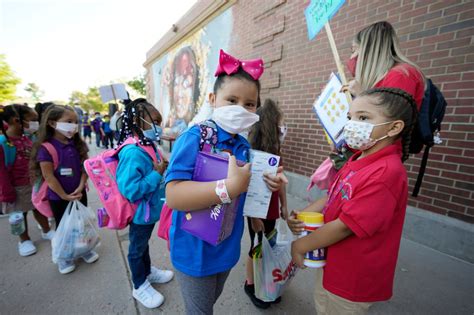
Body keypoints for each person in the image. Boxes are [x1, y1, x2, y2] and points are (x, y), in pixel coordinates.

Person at [165, 49, 287, 315]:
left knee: (210, 302)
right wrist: (228, 188)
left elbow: (244, 192)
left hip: (227, 248)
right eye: (231, 100)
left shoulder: (243, 144)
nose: (240, 109)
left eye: (249, 104)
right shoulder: (194, 138)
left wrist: (266, 188)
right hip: (194, 251)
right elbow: (174, 195)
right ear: (213, 99)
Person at [288, 88, 418, 315]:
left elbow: (345, 226)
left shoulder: (386, 173)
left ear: (395, 127)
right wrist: (302, 216)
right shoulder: (359, 157)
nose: (352, 124)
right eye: (350, 117)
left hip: (352, 277)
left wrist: (300, 245)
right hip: (332, 262)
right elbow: (334, 196)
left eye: (364, 118)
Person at [115, 98, 174, 309]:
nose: (159, 125)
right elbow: (130, 190)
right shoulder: (132, 152)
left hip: (149, 211)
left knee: (142, 243)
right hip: (140, 213)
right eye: (155, 121)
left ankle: (147, 271)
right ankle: (139, 285)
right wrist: (157, 173)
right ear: (139, 122)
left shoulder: (146, 145)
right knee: (136, 248)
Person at [30, 105, 98, 274]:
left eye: (75, 122)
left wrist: (81, 186)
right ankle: (65, 257)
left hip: (79, 193)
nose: (73, 125)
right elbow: (49, 176)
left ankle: (84, 250)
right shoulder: (46, 148)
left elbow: (85, 169)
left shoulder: (77, 144)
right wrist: (63, 195)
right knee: (64, 227)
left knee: (81, 224)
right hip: (58, 197)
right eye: (68, 122)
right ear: (52, 123)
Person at [244, 98, 288, 309]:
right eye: (280, 124)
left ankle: (265, 279)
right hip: (257, 213)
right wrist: (254, 218)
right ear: (271, 126)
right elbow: (250, 190)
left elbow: (281, 182)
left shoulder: (276, 153)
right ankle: (250, 284)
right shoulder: (253, 155)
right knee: (256, 247)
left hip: (272, 212)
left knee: (269, 246)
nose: (283, 128)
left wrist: (284, 206)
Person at [0, 104, 54, 256]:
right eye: (33, 119)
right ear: (17, 121)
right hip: (15, 187)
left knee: (39, 209)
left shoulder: (28, 138)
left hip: (34, 183)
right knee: (19, 215)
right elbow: (1, 172)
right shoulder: (3, 143)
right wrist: (6, 193)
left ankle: (46, 230)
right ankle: (24, 240)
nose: (36, 123)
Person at [343, 21, 425, 109]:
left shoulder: (400, 75)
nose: (351, 57)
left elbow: (390, 118)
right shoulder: (382, 76)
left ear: (368, 51)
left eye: (354, 50)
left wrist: (361, 96)